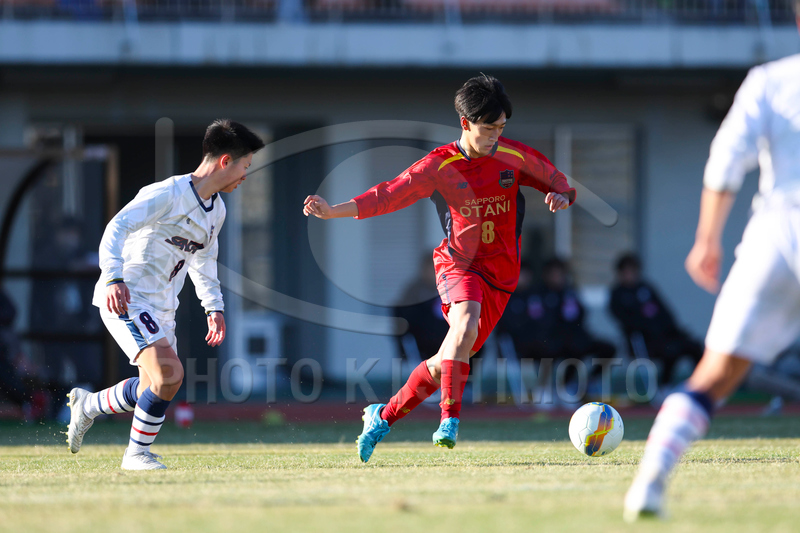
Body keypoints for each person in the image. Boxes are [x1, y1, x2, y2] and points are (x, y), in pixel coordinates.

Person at [303, 74, 576, 462]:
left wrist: (562, 194)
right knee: (464, 324)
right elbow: (388, 193)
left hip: (502, 278)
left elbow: (554, 177)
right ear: (465, 123)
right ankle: (449, 420)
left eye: (501, 127)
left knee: (446, 360)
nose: (496, 136)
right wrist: (334, 211)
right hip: (458, 266)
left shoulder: (512, 156)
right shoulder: (439, 165)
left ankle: (382, 416)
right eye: (488, 128)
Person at [623, 6, 800, 520]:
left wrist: (707, 239)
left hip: (777, 233)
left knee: (715, 374)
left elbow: (725, 162)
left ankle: (651, 479)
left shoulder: (770, 81)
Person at [66, 119, 264, 470]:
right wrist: (113, 277)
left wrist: (214, 307)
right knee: (170, 375)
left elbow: (204, 261)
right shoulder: (167, 193)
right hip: (129, 297)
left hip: (163, 308)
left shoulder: (217, 210)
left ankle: (89, 405)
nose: (246, 175)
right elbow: (116, 227)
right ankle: (136, 455)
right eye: (245, 166)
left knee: (155, 385)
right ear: (225, 161)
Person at [610, 253, 702, 387]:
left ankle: (700, 386)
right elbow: (625, 320)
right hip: (645, 340)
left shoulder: (645, 288)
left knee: (693, 346)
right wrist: (648, 327)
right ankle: (665, 386)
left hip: (664, 336)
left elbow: (665, 312)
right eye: (626, 272)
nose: (630, 275)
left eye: (633, 271)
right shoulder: (618, 294)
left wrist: (671, 329)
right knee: (670, 350)